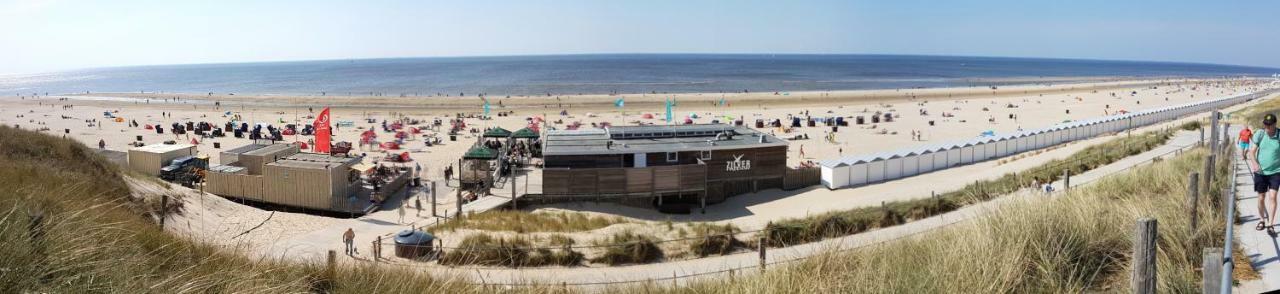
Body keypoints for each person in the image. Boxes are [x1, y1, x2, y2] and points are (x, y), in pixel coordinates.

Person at [1251, 114, 1280, 233]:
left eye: (1269, 125)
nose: (1266, 126)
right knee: (1261, 197)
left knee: (1273, 196)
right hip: (1261, 172)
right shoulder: (1260, 134)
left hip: (1276, 171)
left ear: (1274, 124)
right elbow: (1251, 152)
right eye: (1265, 124)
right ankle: (1261, 219)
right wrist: (1255, 164)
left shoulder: (1279, 135)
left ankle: (1270, 224)